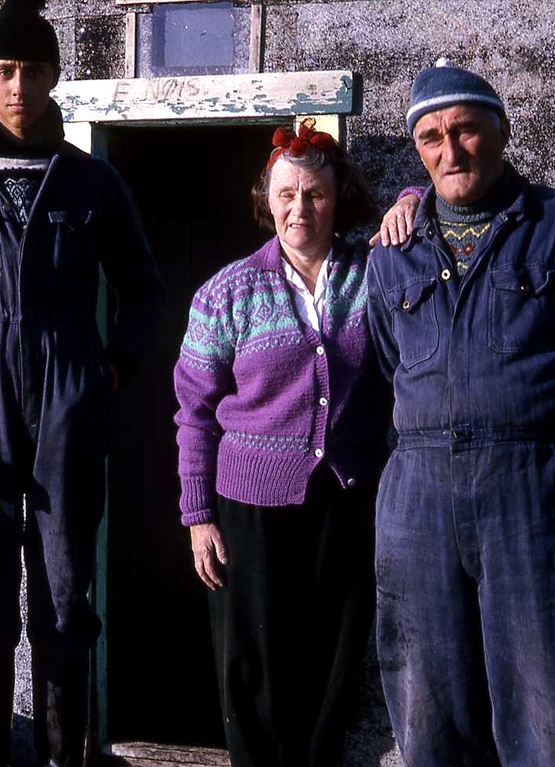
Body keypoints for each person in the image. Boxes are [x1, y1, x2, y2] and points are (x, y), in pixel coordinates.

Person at [366, 61, 555, 766]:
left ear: (500, 130)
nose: (451, 151)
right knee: (429, 714)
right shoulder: (393, 256)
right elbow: (390, 367)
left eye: (466, 129)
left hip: (544, 496)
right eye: (432, 138)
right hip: (420, 500)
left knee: (551, 721)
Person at [0, 0, 165, 763]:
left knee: (63, 600)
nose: (19, 87)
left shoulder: (92, 184)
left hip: (68, 404)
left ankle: (61, 759)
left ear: (54, 77)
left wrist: (115, 364)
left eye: (34, 71)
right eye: (5, 71)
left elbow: (144, 286)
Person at [173, 119, 385, 767]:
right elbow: (194, 411)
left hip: (346, 501)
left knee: (333, 665)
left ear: (338, 198)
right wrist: (198, 514)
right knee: (255, 668)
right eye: (287, 194)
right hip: (251, 510)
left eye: (315, 194)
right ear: (267, 200)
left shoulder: (374, 277)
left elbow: (436, 228)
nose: (301, 208)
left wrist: (409, 203)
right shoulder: (227, 292)